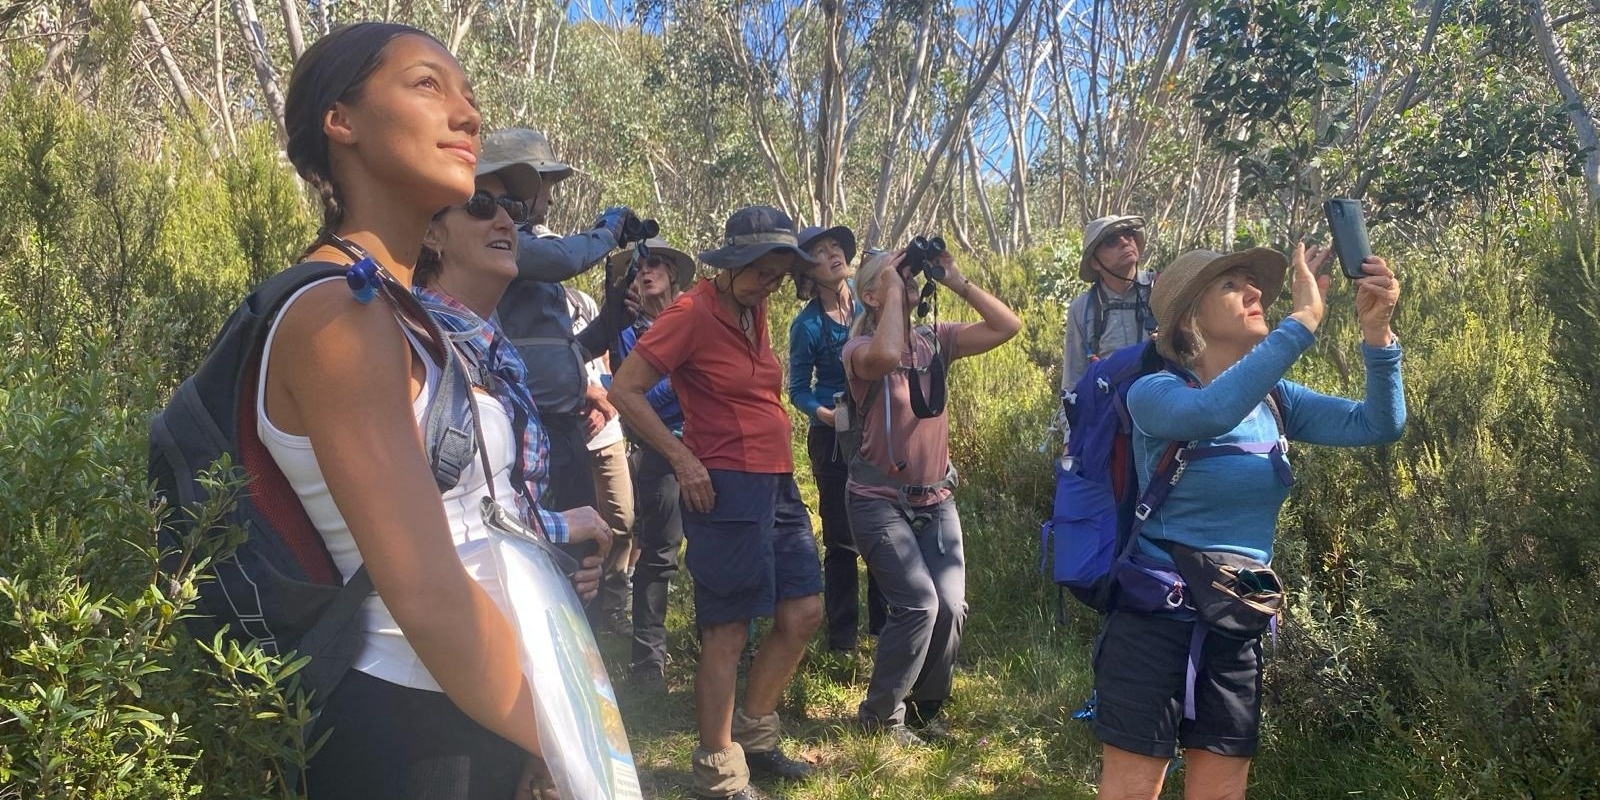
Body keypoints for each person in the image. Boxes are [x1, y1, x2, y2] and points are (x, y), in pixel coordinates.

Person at [263, 23, 607, 798]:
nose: (466, 116)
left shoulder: (399, 310)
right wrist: (563, 741)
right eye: (427, 85)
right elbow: (424, 590)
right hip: (405, 724)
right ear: (340, 122)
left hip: (470, 698)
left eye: (469, 97)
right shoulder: (333, 314)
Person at [1092, 244, 1404, 800]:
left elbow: (1377, 424)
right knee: (1132, 790)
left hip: (1238, 620)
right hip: (1153, 622)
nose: (1255, 292)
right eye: (1232, 285)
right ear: (1190, 317)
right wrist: (1303, 323)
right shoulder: (1154, 392)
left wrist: (1377, 337)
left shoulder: (1275, 399)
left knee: (1222, 791)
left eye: (1251, 282)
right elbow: (1209, 414)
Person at [611, 206, 824, 800]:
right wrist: (682, 459)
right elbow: (623, 389)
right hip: (723, 483)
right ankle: (719, 774)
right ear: (729, 265)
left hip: (776, 480)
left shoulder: (751, 309)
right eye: (759, 272)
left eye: (779, 275)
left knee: (802, 612)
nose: (768, 285)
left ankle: (755, 736)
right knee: (727, 630)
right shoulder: (690, 314)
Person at [842, 248, 1021, 745]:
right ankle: (880, 716)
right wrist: (897, 290)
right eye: (891, 280)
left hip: (936, 498)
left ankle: (925, 711)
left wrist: (957, 280)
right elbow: (882, 357)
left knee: (951, 605)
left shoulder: (935, 340)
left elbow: (1008, 326)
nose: (907, 281)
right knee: (919, 605)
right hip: (878, 499)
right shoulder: (856, 348)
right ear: (870, 295)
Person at [482, 128, 633, 515]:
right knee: (553, 542)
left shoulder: (530, 249)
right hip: (530, 426)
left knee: (584, 544)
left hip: (565, 429)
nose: (549, 196)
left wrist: (616, 315)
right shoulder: (502, 243)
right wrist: (607, 231)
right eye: (545, 184)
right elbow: (564, 258)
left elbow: (570, 349)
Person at [788, 224, 886, 654]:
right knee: (842, 537)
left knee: (886, 529)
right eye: (821, 253)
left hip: (880, 431)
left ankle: (887, 629)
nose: (834, 256)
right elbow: (797, 389)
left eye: (837, 249)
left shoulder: (871, 306)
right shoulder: (807, 325)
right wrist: (824, 414)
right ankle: (843, 639)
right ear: (808, 272)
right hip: (833, 440)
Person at [609, 238, 696, 687]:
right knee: (659, 553)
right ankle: (647, 661)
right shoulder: (627, 334)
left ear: (674, 276)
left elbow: (640, 391)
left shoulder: (698, 320)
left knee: (719, 547)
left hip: (710, 445)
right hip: (658, 452)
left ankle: (731, 641)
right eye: (639, 267)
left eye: (657, 264)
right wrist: (676, 387)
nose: (647, 271)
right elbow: (627, 396)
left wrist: (651, 391)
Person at [568, 285, 637, 635]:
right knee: (579, 527)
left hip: (607, 433)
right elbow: (539, 366)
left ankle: (614, 604)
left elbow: (608, 362)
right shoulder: (522, 305)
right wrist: (590, 394)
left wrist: (608, 407)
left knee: (622, 521)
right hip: (569, 435)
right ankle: (584, 610)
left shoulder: (582, 301)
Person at [1062, 215, 1156, 394]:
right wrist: (1072, 419)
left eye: (1128, 234)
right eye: (1111, 241)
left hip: (1164, 407)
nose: (1124, 242)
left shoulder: (1163, 288)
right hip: (1111, 412)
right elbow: (1073, 378)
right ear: (1095, 262)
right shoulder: (1082, 308)